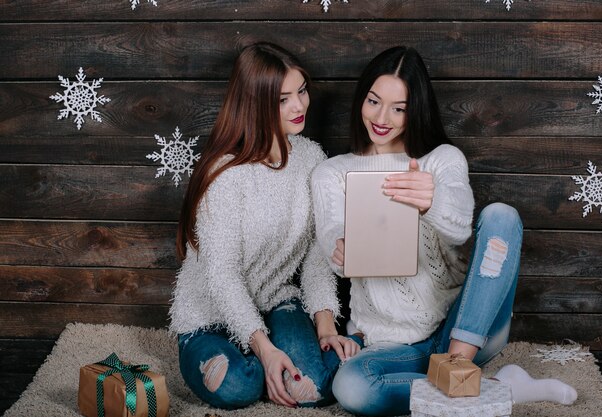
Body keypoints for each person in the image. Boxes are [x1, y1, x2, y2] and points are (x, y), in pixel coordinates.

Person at [311, 46, 577, 416]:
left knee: (502, 216)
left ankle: (457, 363)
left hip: (464, 328)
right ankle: (495, 387)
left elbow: (459, 227)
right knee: (352, 387)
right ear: (362, 100)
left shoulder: (441, 159)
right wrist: (339, 246)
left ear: (415, 110)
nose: (382, 117)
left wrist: (430, 202)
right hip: (387, 343)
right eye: (373, 101)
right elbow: (330, 231)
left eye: (399, 108)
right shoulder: (332, 173)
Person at [169, 42, 360, 411]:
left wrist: (325, 326)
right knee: (241, 385)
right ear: (255, 103)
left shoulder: (311, 158)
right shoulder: (224, 175)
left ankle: (359, 350)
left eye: (301, 91)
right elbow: (222, 278)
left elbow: (318, 256)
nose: (299, 106)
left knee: (315, 388)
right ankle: (257, 363)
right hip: (210, 316)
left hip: (277, 301)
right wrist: (267, 350)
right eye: (283, 99)